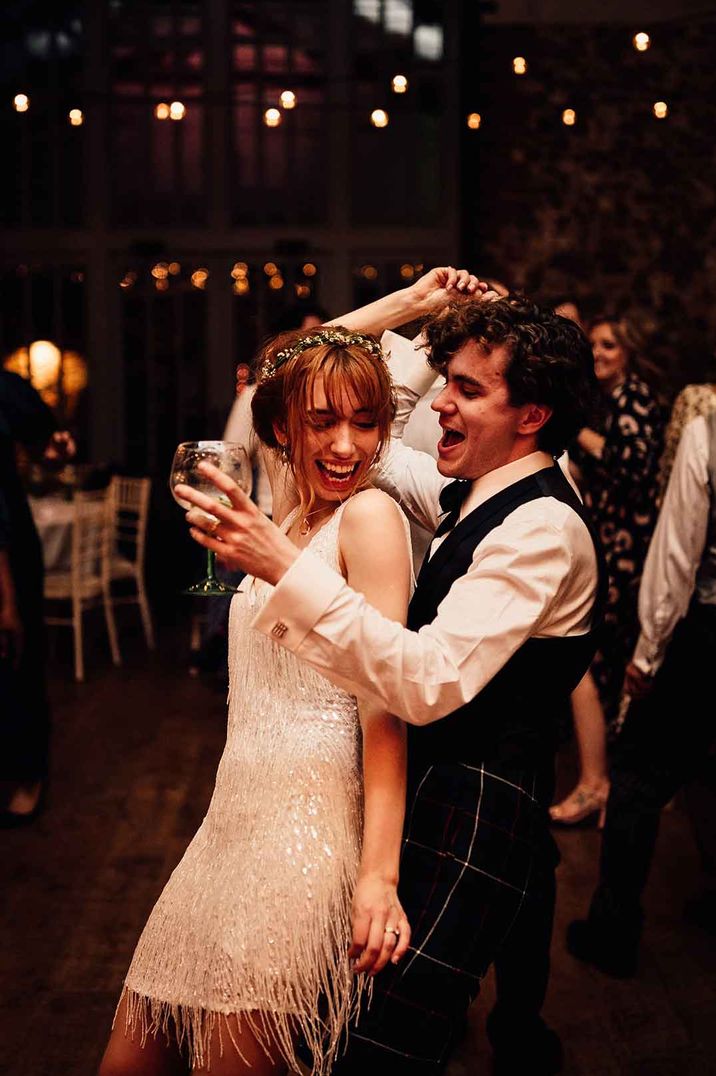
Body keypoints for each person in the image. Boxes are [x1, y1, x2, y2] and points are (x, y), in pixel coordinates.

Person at [178, 287, 606, 1075]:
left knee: (383, 1047)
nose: (438, 402)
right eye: (446, 381)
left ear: (533, 413)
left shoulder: (543, 527)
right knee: (352, 1039)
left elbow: (425, 680)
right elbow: (295, 380)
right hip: (428, 790)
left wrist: (278, 564)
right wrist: (414, 302)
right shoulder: (463, 489)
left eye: (468, 390)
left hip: (481, 810)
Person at [100, 325, 418, 1076]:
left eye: (365, 423)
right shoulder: (280, 517)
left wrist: (379, 875)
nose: (347, 445)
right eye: (323, 421)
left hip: (304, 843)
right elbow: (281, 367)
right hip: (225, 829)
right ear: (281, 426)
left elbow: (386, 703)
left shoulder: (368, 518)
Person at [568, 410, 716, 976]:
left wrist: (648, 653)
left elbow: (679, 550)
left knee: (636, 779)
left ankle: (612, 931)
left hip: (706, 635)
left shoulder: (707, 432)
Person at [551, 313, 665, 826]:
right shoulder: (607, 399)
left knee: (601, 664)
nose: (597, 354)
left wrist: (579, 434)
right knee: (598, 665)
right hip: (606, 541)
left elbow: (636, 465)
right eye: (593, 345)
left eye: (608, 346)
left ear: (629, 353)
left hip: (625, 548)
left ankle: (604, 786)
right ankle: (609, 789)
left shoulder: (634, 397)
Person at [0, 368, 74, 827]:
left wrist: (54, 452)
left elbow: (49, 449)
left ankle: (28, 776)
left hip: (8, 545)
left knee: (18, 661)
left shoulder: (8, 389)